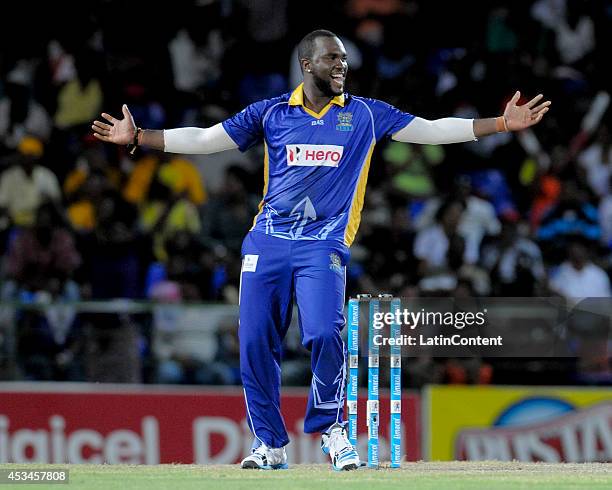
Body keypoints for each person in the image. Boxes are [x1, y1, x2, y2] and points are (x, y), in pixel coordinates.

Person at [92, 29, 550, 470]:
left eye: (345, 59)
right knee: (254, 342)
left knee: (326, 334)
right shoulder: (271, 113)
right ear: (306, 64)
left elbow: (430, 130)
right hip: (267, 241)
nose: (342, 65)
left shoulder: (366, 114)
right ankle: (269, 443)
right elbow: (209, 139)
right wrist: (139, 137)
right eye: (333, 58)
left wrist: (500, 124)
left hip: (322, 244)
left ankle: (332, 429)